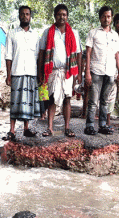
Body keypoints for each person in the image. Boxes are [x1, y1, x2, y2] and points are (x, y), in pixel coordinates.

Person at [38, 4, 82, 137]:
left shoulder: (74, 33)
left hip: (68, 71)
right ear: (55, 16)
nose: (62, 17)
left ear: (67, 17)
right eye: (59, 14)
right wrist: (40, 72)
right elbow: (41, 53)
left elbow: (79, 53)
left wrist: (79, 73)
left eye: (64, 15)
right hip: (52, 71)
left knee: (67, 99)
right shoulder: (48, 32)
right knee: (51, 98)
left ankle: (67, 128)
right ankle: (50, 128)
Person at [3, 6, 40, 141]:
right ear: (19, 16)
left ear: (30, 16)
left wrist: (40, 75)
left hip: (31, 72)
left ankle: (26, 129)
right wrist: (8, 75)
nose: (25, 16)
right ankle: (12, 130)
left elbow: (38, 56)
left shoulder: (36, 35)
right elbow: (8, 56)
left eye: (27, 14)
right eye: (22, 14)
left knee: (28, 102)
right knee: (15, 102)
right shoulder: (12, 33)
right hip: (17, 72)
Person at [84, 6, 119, 135]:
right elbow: (88, 53)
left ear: (111, 18)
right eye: (104, 16)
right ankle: (89, 125)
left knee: (105, 101)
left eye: (109, 16)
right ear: (100, 18)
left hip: (110, 72)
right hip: (96, 71)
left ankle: (102, 125)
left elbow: (117, 54)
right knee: (93, 101)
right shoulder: (93, 33)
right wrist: (87, 72)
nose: (106, 19)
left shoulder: (115, 35)